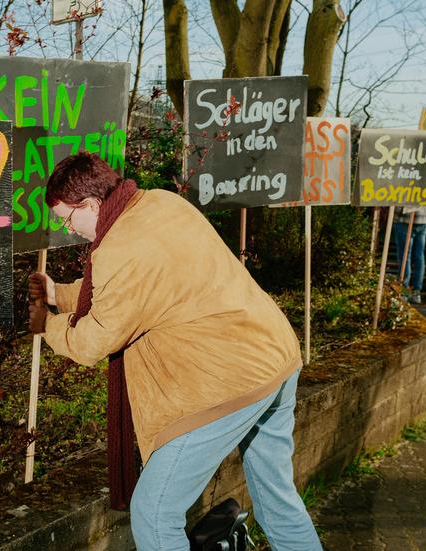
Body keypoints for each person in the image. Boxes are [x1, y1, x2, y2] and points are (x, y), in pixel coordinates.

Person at [27, 152, 322, 551]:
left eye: (67, 218)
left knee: (155, 512)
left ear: (92, 205)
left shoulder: (120, 247)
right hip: (274, 357)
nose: (69, 229)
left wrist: (48, 325)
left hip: (225, 382)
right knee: (277, 499)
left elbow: (93, 341)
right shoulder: (160, 203)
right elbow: (129, 289)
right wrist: (57, 294)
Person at [392, 205, 426, 304]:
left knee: (405, 255)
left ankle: (404, 291)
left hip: (404, 218)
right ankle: (416, 292)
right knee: (419, 256)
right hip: (423, 218)